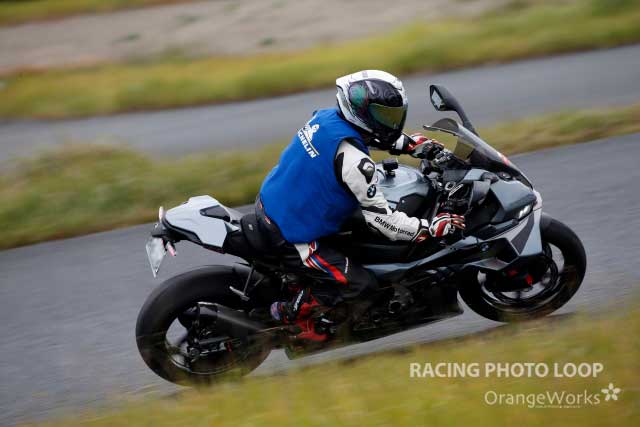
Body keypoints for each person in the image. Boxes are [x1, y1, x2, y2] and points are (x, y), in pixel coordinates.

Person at [256, 70, 465, 341]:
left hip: (275, 200)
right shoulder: (356, 163)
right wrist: (431, 227)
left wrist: (412, 145)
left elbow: (367, 138)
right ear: (362, 114)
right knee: (361, 285)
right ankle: (285, 315)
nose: (390, 122)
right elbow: (384, 222)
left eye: (392, 116)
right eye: (382, 116)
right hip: (291, 233)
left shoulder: (325, 119)